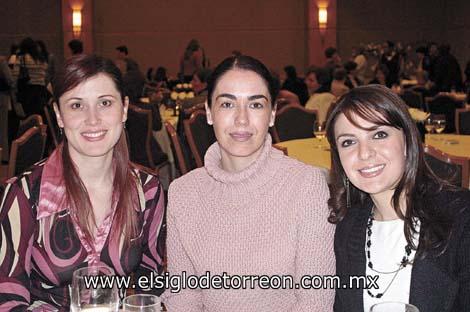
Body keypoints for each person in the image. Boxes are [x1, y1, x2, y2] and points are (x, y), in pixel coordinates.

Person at [164, 55, 335, 311]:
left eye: (255, 105)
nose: (241, 119)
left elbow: (315, 301)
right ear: (209, 112)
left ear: (273, 113)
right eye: (227, 105)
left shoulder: (306, 186)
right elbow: (183, 296)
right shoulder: (183, 193)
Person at [0, 54, 166, 310]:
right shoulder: (23, 194)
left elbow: (151, 278)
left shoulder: (147, 189)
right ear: (58, 115)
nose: (93, 119)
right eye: (77, 105)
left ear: (124, 109)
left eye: (105, 103)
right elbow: (7, 297)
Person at [325, 85, 470, 312]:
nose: (364, 153)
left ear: (407, 141)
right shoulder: (346, 228)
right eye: (348, 142)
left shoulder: (461, 220)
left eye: (379, 135)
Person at [11, 37, 49, 117]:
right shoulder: (41, 59)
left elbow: (15, 74)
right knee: (40, 114)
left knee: (29, 115)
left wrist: (13, 89)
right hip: (41, 90)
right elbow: (45, 74)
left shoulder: (22, 58)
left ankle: (32, 129)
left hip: (28, 90)